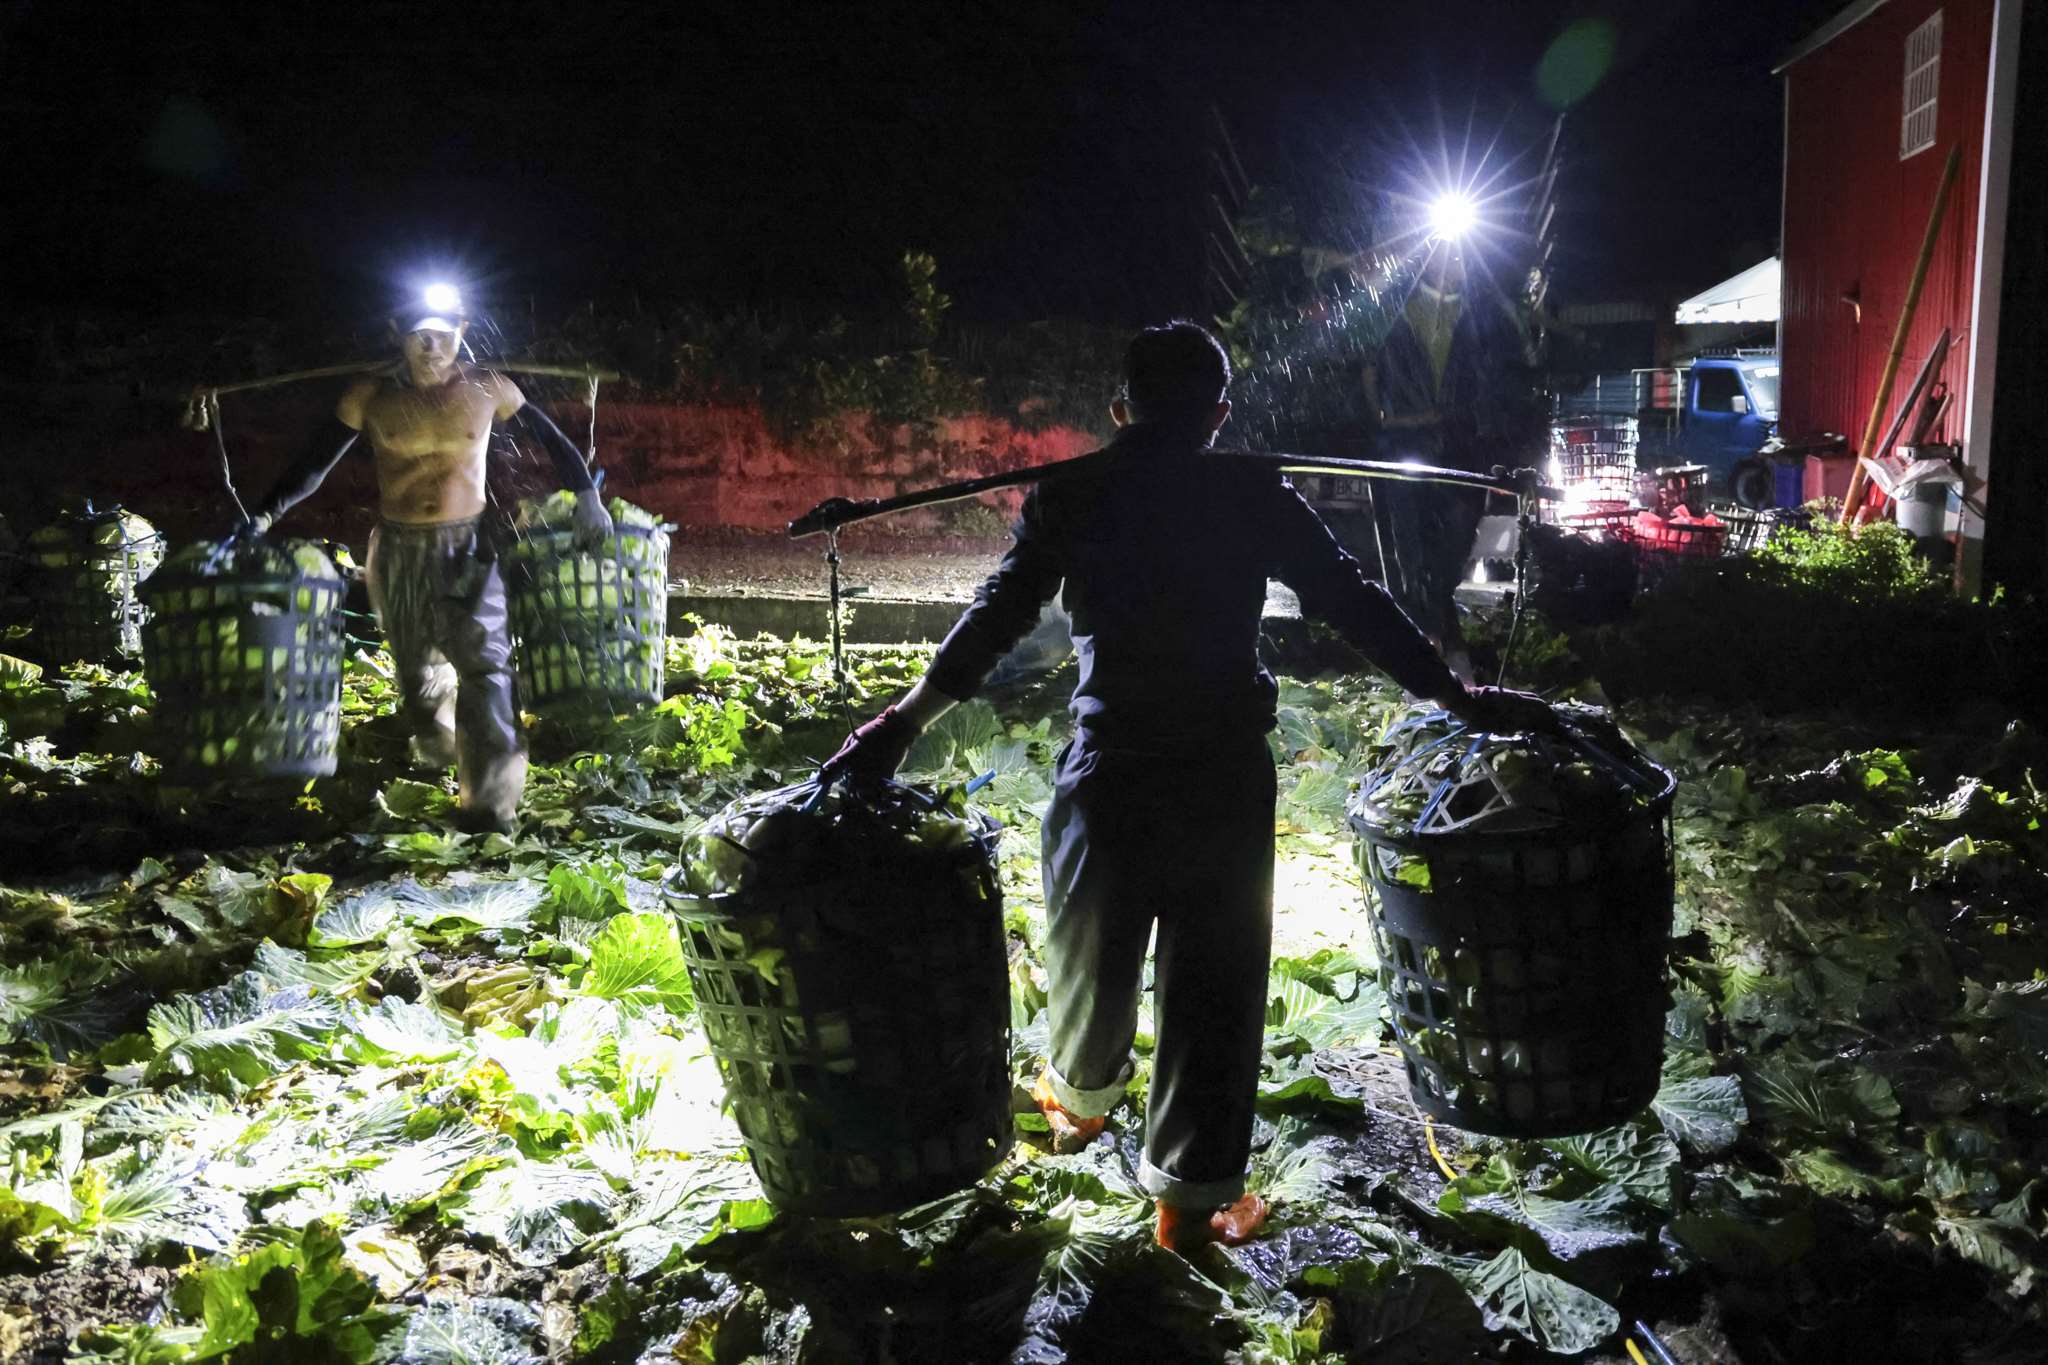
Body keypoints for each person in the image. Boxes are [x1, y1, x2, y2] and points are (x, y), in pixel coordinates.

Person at [821, 322, 1550, 1254]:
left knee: (1087, 951)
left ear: (1120, 410)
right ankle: (1186, 1208)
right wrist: (1456, 692)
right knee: (1215, 987)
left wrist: (901, 722)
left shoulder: (1074, 493)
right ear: (1219, 414)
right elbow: (1350, 597)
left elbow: (996, 616)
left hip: (1109, 768)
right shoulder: (1250, 492)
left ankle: (1079, 1108)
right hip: (1219, 776)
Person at [234, 296, 612, 832]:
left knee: (485, 668)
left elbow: (551, 439)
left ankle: (489, 805)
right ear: (397, 333)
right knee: (420, 672)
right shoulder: (370, 395)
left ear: (461, 330)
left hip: (469, 545)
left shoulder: (488, 387)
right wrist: (263, 516)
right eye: (419, 335)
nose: (432, 346)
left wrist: (587, 498)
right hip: (399, 548)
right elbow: (315, 461)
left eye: (442, 333)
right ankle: (442, 751)